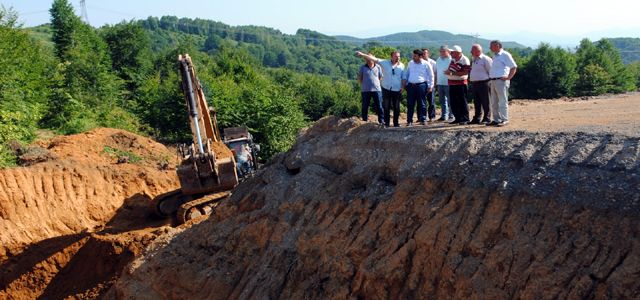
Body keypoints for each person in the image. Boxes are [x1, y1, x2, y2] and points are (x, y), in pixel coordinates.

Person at [356, 50, 404, 127]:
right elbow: (360, 78)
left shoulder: (400, 65)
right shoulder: (382, 63)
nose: (398, 58)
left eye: (399, 56)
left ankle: (389, 122)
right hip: (376, 89)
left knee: (389, 107)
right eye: (396, 56)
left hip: (387, 89)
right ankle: (381, 123)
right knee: (381, 107)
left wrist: (402, 86)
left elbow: (381, 77)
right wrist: (362, 54)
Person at [487, 40, 518, 127]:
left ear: (497, 46)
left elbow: (514, 67)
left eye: (491, 46)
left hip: (501, 81)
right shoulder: (495, 56)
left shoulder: (505, 54)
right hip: (493, 81)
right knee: (494, 101)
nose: (490, 48)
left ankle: (505, 119)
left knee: (502, 101)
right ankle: (496, 119)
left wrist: (508, 78)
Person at [402, 49, 434, 126]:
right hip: (411, 86)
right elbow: (407, 73)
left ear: (420, 56)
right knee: (410, 103)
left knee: (422, 103)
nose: (413, 57)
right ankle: (409, 121)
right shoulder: (410, 63)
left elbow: (431, 75)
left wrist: (430, 86)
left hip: (421, 85)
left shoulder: (426, 64)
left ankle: (423, 119)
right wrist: (405, 83)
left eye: (415, 56)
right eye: (413, 55)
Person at [445, 45, 471, 125]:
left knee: (462, 101)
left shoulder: (465, 60)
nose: (451, 53)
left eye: (452, 52)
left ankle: (465, 118)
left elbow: (465, 72)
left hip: (461, 84)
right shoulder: (453, 59)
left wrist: (452, 73)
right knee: (453, 102)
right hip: (452, 83)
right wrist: (448, 73)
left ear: (457, 52)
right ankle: (458, 118)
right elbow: (450, 68)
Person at [357, 53, 385, 126]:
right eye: (367, 58)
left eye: (370, 57)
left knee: (379, 106)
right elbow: (360, 78)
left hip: (377, 90)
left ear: (373, 58)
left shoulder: (378, 67)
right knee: (365, 106)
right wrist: (365, 85)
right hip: (365, 90)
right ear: (365, 59)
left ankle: (381, 121)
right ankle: (364, 120)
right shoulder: (362, 67)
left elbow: (380, 77)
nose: (369, 59)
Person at [469, 44, 493, 124]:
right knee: (477, 102)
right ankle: (477, 118)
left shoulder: (486, 59)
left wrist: (488, 82)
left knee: (486, 101)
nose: (471, 52)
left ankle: (487, 118)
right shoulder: (474, 59)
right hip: (475, 83)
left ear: (478, 51)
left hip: (484, 83)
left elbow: (490, 71)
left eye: (472, 50)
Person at [435, 45, 453, 121]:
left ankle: (451, 115)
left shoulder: (451, 59)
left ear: (448, 51)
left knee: (450, 100)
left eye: (443, 51)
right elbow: (436, 71)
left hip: (448, 82)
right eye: (440, 51)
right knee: (442, 101)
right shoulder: (438, 59)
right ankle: (443, 116)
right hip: (440, 83)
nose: (441, 53)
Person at [422, 48, 437, 121]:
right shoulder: (419, 62)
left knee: (431, 101)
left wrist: (434, 84)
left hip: (430, 84)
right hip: (422, 85)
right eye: (423, 53)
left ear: (428, 54)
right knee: (422, 101)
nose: (424, 55)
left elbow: (435, 74)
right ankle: (422, 117)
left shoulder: (433, 63)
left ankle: (432, 116)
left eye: (425, 53)